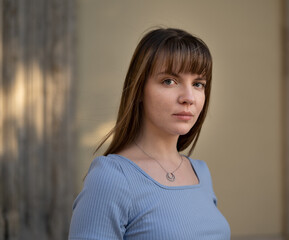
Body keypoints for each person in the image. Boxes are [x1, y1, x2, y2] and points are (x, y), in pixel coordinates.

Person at [69, 27, 231, 240]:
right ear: (139, 91)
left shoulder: (201, 173)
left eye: (198, 84)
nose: (188, 97)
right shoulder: (112, 177)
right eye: (169, 81)